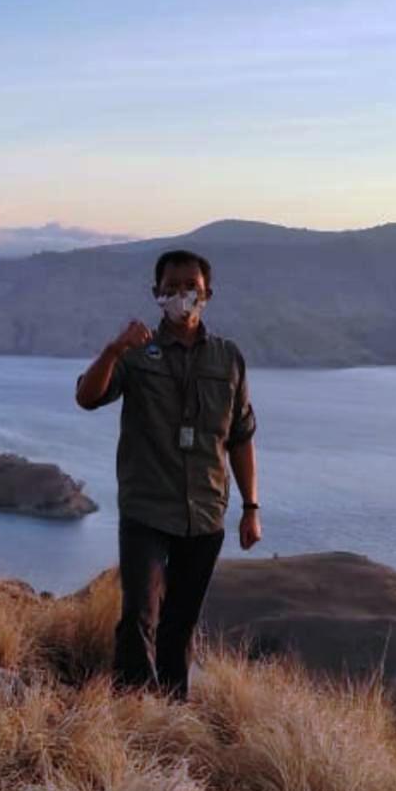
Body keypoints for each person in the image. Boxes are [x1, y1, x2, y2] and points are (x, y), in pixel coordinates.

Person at [76, 249, 260, 699]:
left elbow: (240, 437)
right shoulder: (137, 355)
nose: (181, 297)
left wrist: (250, 507)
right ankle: (132, 711)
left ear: (207, 294)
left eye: (190, 289)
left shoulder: (227, 359)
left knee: (181, 622)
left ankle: (172, 713)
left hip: (205, 514)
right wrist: (114, 349)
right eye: (171, 288)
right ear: (156, 294)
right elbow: (87, 396)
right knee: (140, 615)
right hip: (147, 510)